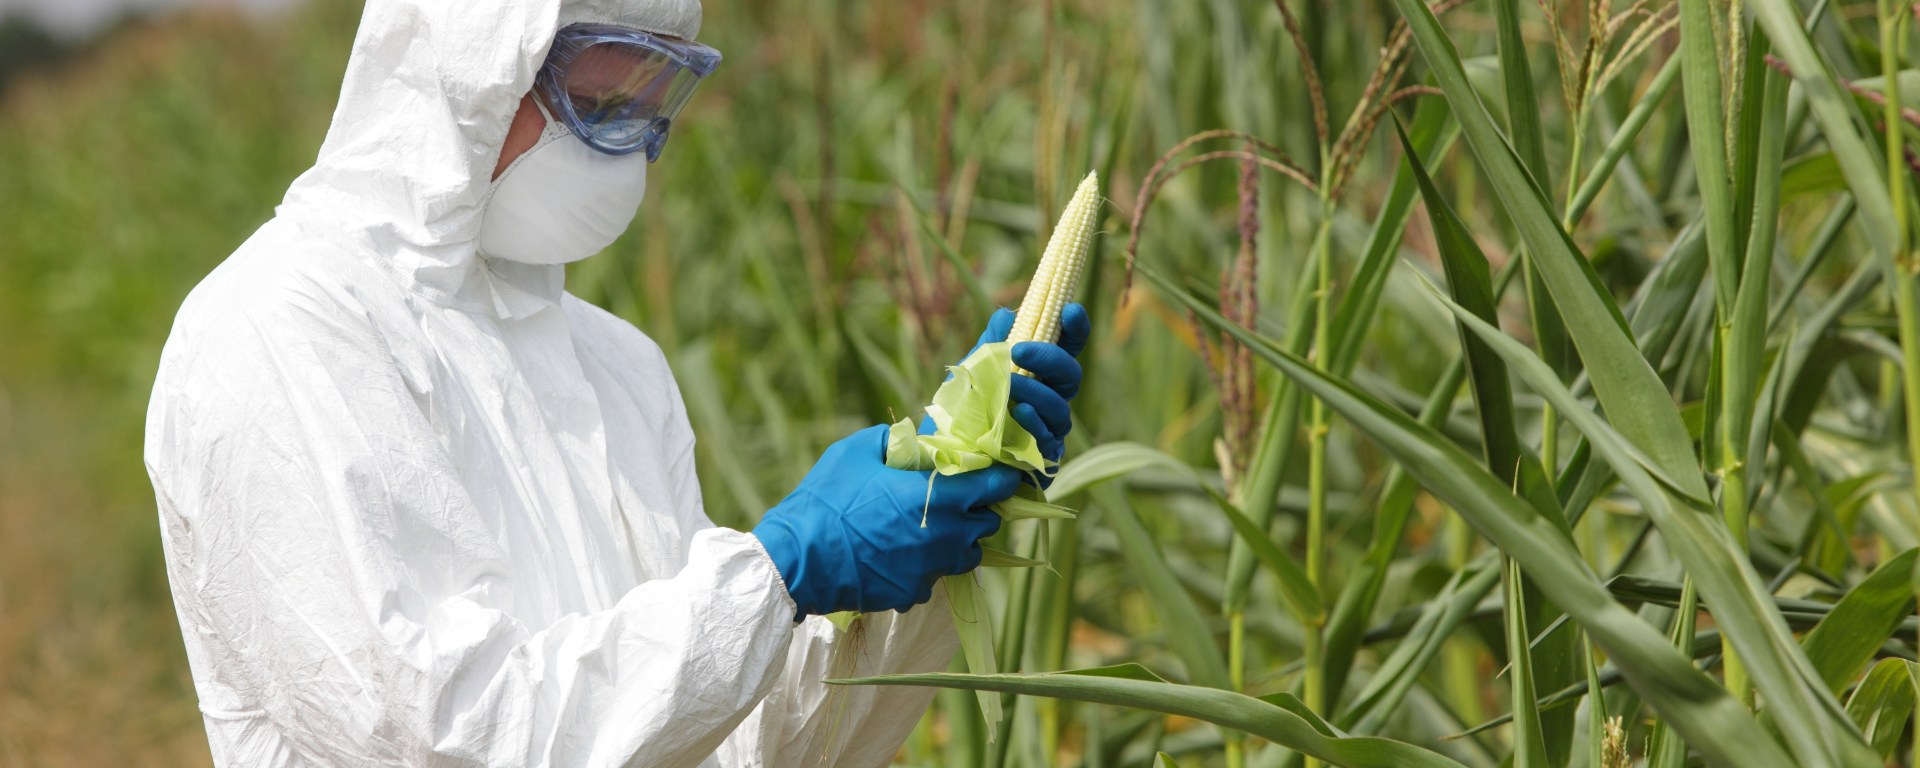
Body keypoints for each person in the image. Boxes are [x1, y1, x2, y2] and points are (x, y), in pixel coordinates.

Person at [141, 0, 1088, 765]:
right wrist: (777, 570)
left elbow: (725, 741)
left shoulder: (614, 361)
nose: (631, 133)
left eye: (656, 92)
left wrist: (931, 524)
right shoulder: (276, 329)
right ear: (474, 64)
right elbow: (437, 741)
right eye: (603, 95)